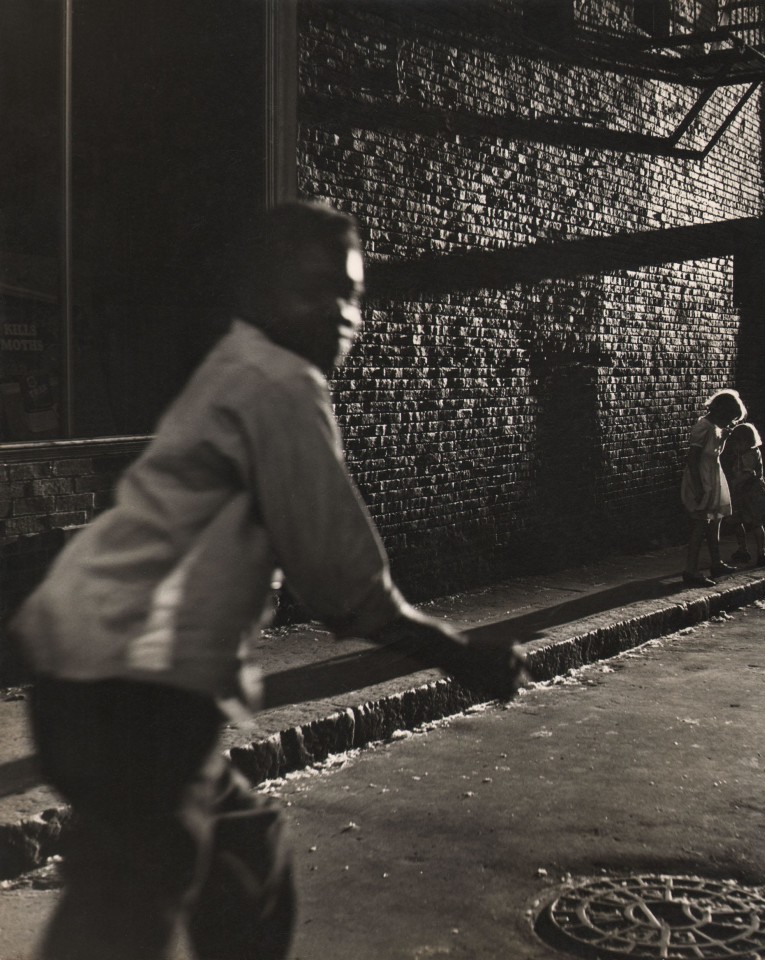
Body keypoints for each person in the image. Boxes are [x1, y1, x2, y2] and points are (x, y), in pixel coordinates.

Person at [10, 201, 527, 960]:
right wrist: (462, 653)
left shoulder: (239, 362)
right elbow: (344, 585)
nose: (342, 313)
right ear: (256, 294)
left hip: (102, 678)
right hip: (132, 689)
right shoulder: (279, 383)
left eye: (353, 293)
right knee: (129, 914)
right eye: (316, 288)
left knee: (247, 866)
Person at [680, 389, 746, 587]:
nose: (730, 423)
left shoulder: (716, 427)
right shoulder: (703, 426)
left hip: (713, 474)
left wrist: (724, 437)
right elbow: (693, 459)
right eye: (730, 418)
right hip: (702, 476)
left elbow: (714, 451)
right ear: (722, 412)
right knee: (700, 525)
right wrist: (699, 487)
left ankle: (716, 563)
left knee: (715, 521)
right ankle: (690, 570)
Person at [727, 421, 765, 567]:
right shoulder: (752, 452)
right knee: (752, 522)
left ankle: (748, 550)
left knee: (745, 521)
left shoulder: (747, 456)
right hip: (751, 492)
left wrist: (734, 483)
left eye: (736, 443)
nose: (734, 447)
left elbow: (748, 474)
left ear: (745, 442)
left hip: (747, 492)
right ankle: (757, 551)